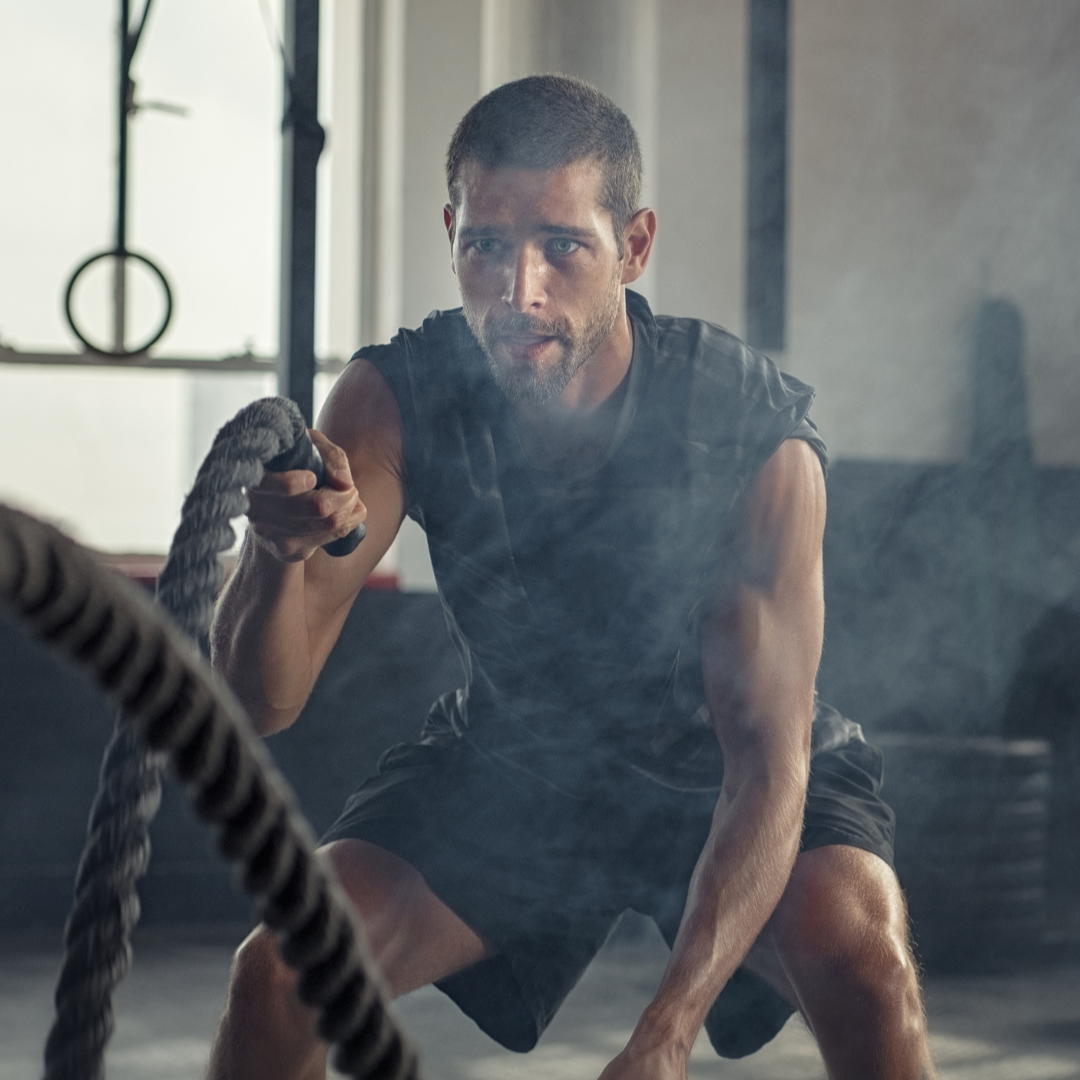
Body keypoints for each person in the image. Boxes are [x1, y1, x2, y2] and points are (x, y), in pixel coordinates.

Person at [207, 75, 935, 1080]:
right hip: (520, 762)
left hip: (718, 771)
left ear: (633, 247)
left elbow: (766, 764)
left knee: (863, 957)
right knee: (282, 971)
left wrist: (664, 1034)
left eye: (562, 246)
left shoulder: (748, 431)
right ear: (452, 232)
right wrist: (277, 560)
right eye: (489, 246)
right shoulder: (394, 398)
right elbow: (261, 701)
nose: (521, 293)